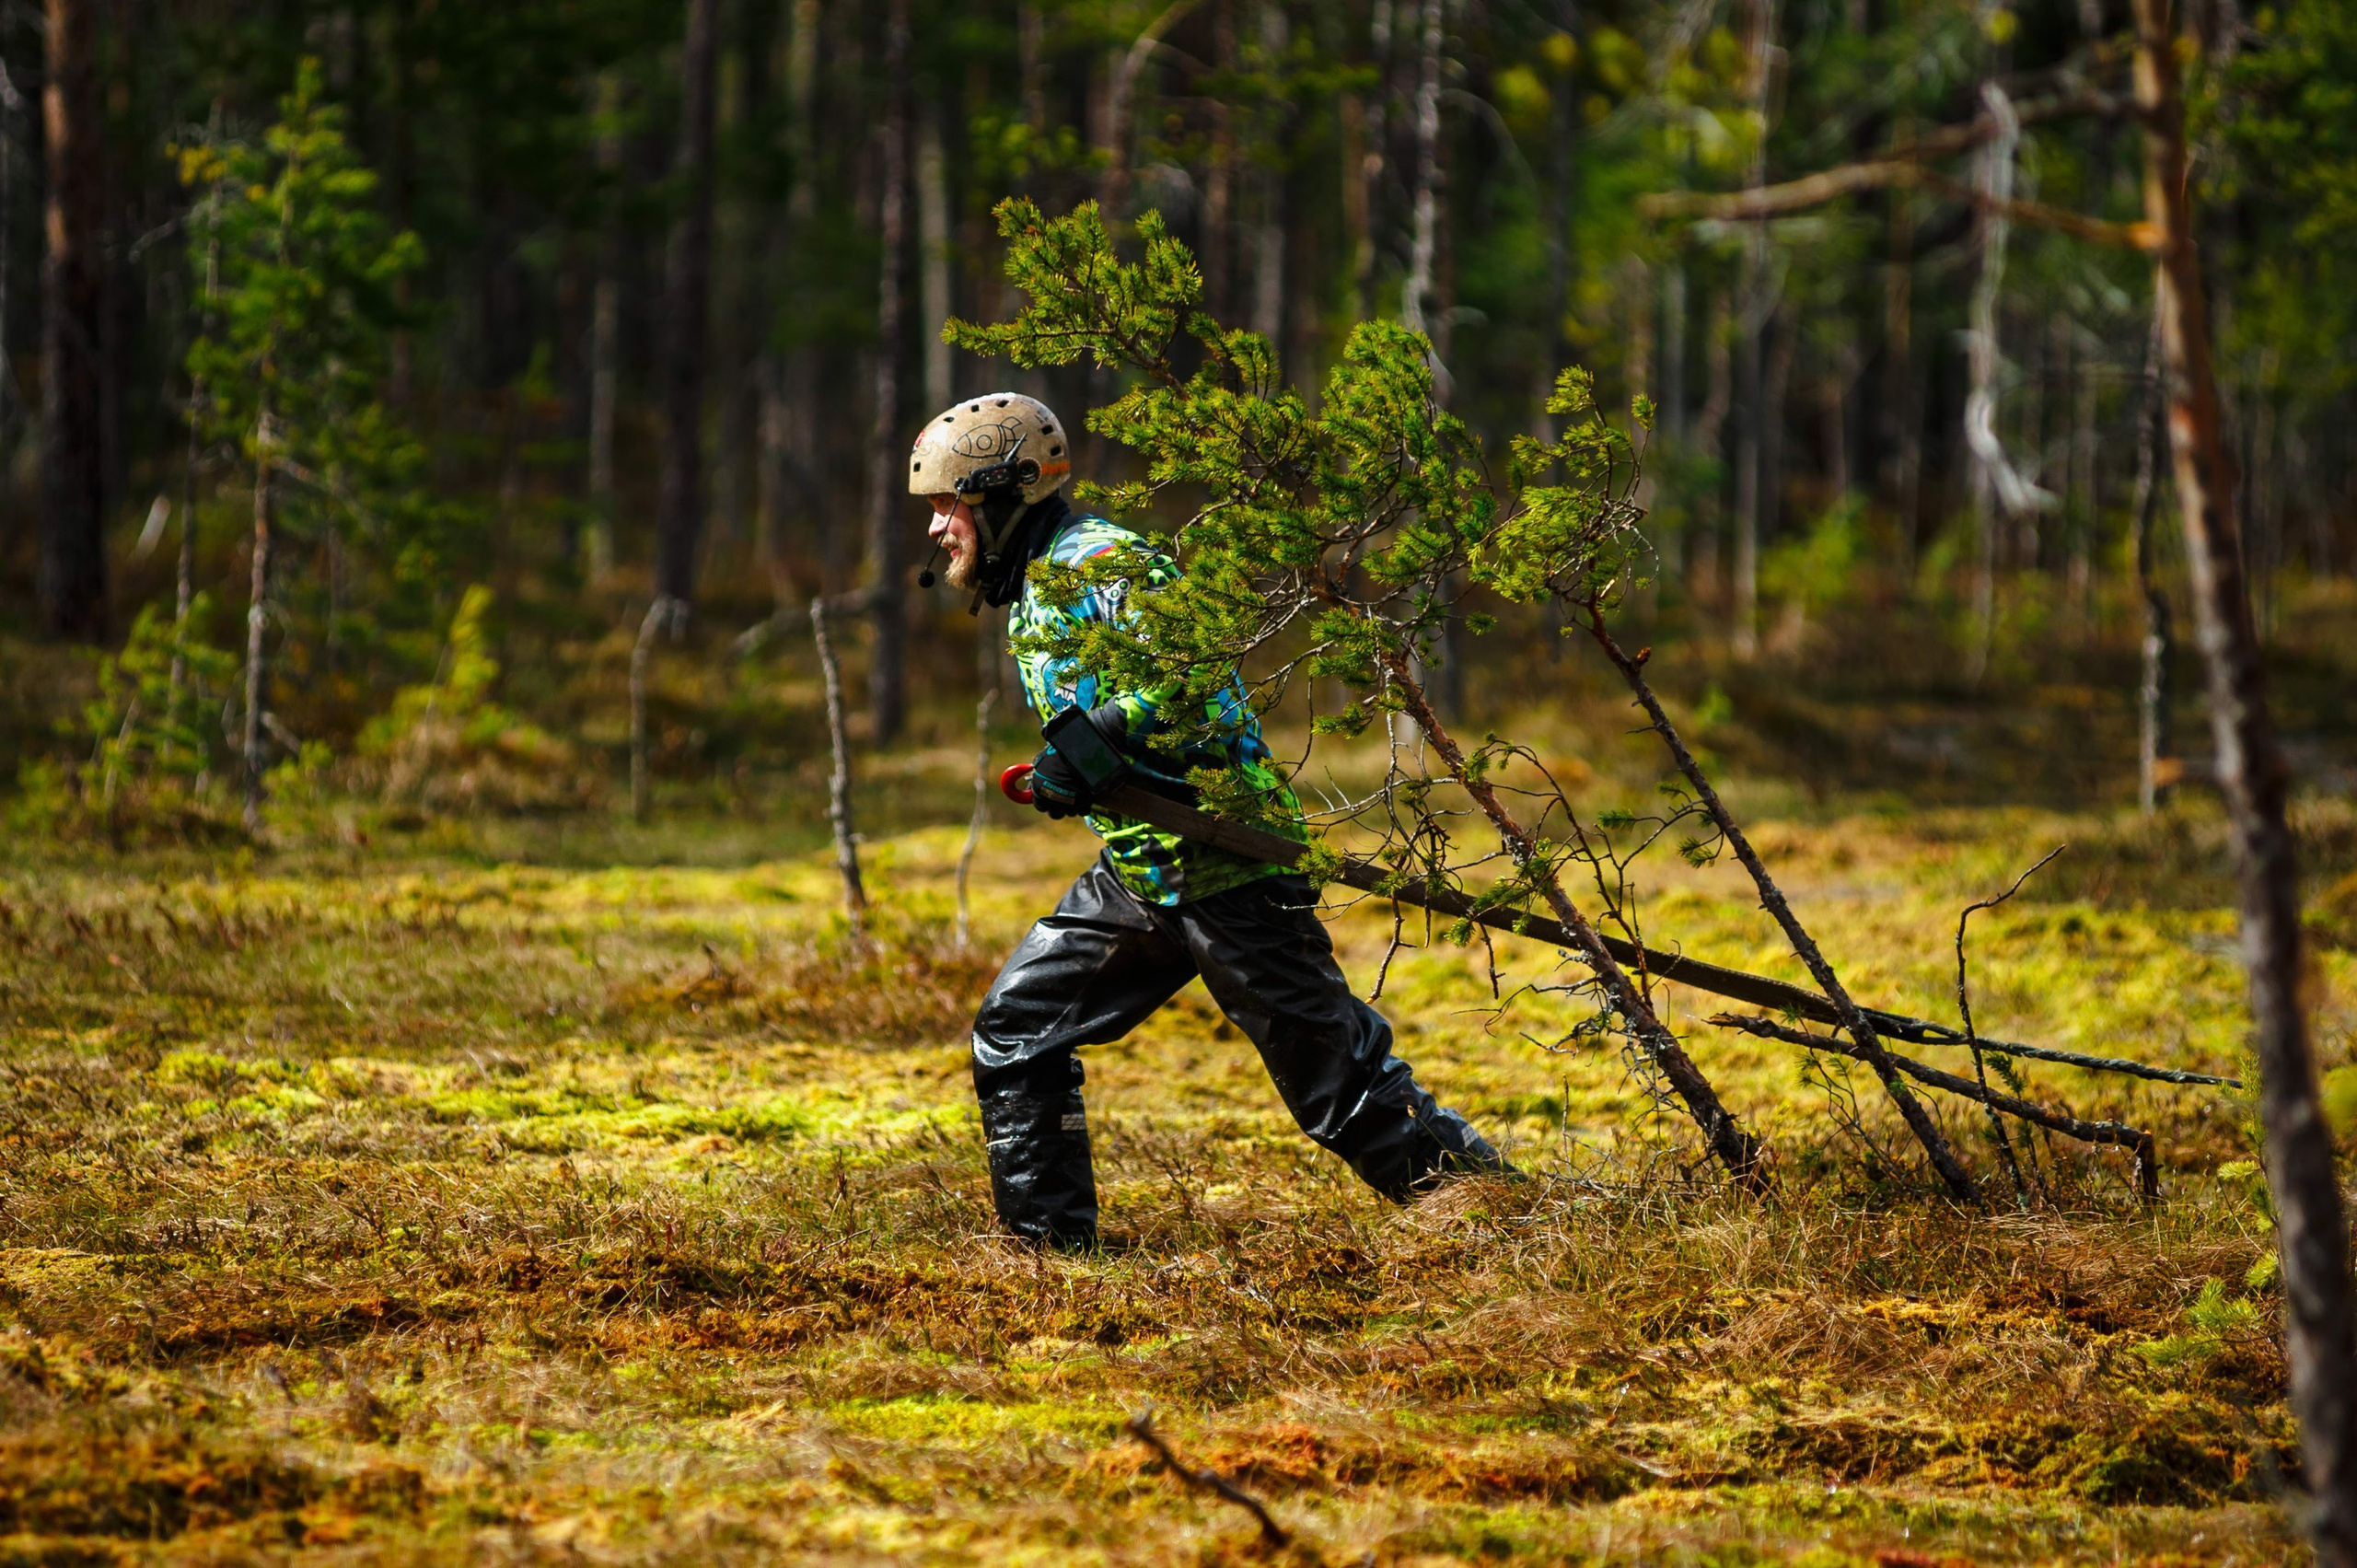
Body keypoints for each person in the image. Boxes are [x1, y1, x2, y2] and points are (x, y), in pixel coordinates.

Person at [909, 392, 1506, 1251]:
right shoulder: (1038, 584)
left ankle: (1513, 1218)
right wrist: (1071, 772)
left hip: (1225, 861)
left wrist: (1101, 738)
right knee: (1016, 1031)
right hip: (1143, 870)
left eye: (947, 506)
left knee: (1339, 1095)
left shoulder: (1104, 560)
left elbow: (1203, 681)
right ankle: (1051, 1258)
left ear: (1003, 494)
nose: (937, 530)